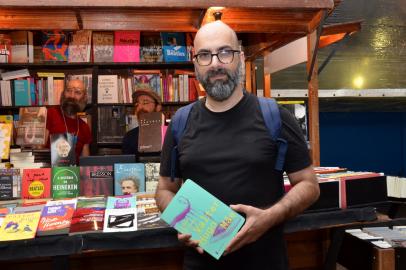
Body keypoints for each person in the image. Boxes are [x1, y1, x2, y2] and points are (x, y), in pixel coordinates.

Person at [156, 21, 320, 270]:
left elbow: (309, 185)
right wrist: (184, 220)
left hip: (265, 261)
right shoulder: (180, 121)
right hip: (200, 262)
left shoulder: (275, 116)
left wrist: (269, 217)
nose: (215, 63)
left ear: (240, 58)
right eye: (204, 55)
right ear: (195, 63)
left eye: (224, 52)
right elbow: (165, 189)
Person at [46, 79, 91, 164]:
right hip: (50, 171)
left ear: (84, 98)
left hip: (74, 174)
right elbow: (39, 147)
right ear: (63, 93)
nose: (72, 96)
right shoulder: (51, 113)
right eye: (69, 90)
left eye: (77, 92)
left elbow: (85, 163)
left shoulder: (84, 127)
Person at [121, 88, 162, 155]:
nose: (140, 107)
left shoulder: (169, 134)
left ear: (158, 107)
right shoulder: (129, 137)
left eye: (145, 102)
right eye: (137, 104)